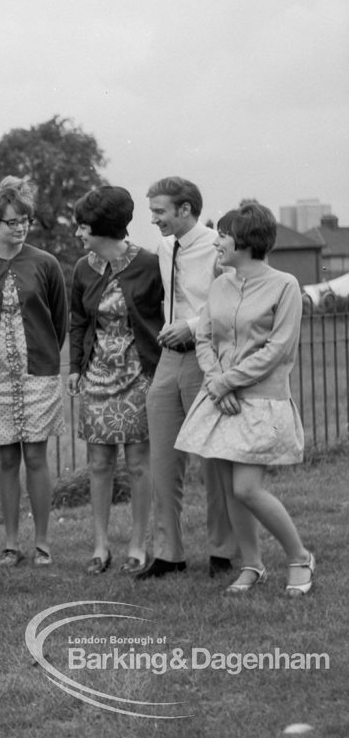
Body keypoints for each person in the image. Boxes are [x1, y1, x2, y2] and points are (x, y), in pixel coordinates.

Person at [175, 204, 314, 596]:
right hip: (220, 398)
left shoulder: (285, 285)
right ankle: (252, 565)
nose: (216, 241)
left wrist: (228, 382)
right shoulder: (220, 283)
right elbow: (204, 336)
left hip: (260, 401)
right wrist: (217, 381)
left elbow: (279, 348)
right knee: (227, 484)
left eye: (223, 235)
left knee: (246, 488)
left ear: (245, 241)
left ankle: (300, 557)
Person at [137, 177, 237, 580]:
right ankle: (168, 553)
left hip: (205, 357)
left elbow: (229, 304)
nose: (154, 219)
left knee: (213, 456)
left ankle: (222, 551)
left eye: (160, 211)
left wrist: (192, 327)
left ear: (185, 209)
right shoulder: (163, 248)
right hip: (168, 359)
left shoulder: (216, 247)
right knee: (162, 457)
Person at [0, 177, 67, 568]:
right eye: (12, 221)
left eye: (24, 219)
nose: (20, 226)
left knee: (38, 458)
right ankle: (10, 544)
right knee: (7, 460)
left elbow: (58, 320)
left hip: (38, 374)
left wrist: (43, 357)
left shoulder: (46, 263)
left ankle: (42, 543)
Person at [66, 187, 163, 575]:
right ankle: (100, 546)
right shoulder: (82, 269)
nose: (79, 234)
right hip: (97, 377)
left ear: (105, 229)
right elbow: (77, 321)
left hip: (138, 375)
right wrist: (75, 367)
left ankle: (138, 545)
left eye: (84, 227)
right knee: (99, 462)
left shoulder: (150, 265)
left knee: (139, 463)